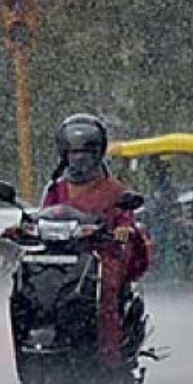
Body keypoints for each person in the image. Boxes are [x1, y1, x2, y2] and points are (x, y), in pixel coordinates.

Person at [42, 114, 150, 367]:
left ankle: (109, 354)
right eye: (74, 153)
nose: (79, 159)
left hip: (100, 253)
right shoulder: (56, 188)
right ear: (64, 155)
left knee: (106, 288)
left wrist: (123, 229)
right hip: (62, 255)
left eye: (86, 153)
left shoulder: (114, 190)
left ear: (97, 155)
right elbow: (44, 215)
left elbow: (125, 218)